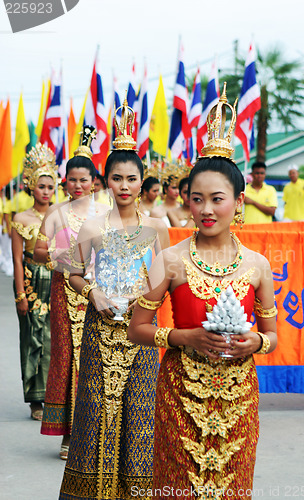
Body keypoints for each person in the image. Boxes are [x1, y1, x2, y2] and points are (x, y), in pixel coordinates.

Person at [128, 84, 277, 499]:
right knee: (177, 487)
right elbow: (136, 328)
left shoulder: (258, 265)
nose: (206, 209)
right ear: (187, 202)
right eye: (197, 199)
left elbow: (273, 338)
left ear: (239, 201)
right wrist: (184, 337)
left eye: (217, 199)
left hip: (239, 398)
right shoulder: (171, 260)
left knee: (233, 486)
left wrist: (256, 341)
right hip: (179, 393)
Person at [59, 98, 169, 499]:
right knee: (93, 414)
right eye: (116, 178)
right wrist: (95, 292)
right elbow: (71, 273)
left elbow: (161, 281)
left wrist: (146, 304)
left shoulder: (158, 227)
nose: (124, 186)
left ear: (142, 181)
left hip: (141, 333)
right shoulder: (90, 226)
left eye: (131, 178)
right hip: (99, 329)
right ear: (106, 181)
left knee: (140, 416)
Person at [33, 126, 99, 460]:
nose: (77, 185)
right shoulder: (56, 213)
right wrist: (56, 256)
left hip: (96, 292)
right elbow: (37, 250)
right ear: (65, 182)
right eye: (72, 179)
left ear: (94, 182)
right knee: (67, 356)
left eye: (83, 179)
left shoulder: (104, 214)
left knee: (94, 358)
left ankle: (91, 429)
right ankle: (67, 434)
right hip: (63, 289)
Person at [11, 144, 57, 421]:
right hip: (30, 280)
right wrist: (20, 295)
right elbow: (17, 259)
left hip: (57, 280)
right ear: (31, 186)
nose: (46, 191)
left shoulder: (60, 215)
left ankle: (54, 396)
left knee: (55, 340)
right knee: (32, 340)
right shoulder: (21, 219)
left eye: (50, 186)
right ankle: (35, 400)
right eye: (41, 186)